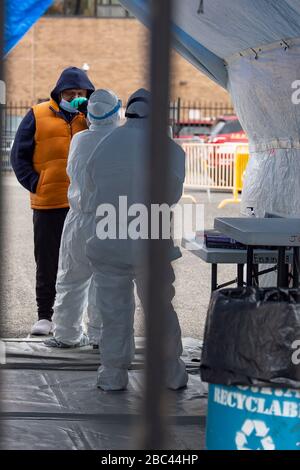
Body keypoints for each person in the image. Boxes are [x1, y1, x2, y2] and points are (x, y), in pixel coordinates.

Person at [85, 89, 189, 391]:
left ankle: (113, 373)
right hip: (150, 241)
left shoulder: (105, 145)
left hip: (109, 240)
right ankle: (170, 372)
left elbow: (91, 188)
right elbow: (172, 194)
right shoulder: (169, 149)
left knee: (113, 311)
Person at [10, 67, 95, 336]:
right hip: (49, 201)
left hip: (82, 204)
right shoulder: (37, 114)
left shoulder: (89, 118)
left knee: (82, 261)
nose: (74, 97)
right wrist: (36, 183)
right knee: (47, 260)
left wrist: (92, 114)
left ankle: (72, 318)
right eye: (69, 93)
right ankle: (44, 315)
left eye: (80, 94)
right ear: (59, 92)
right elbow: (18, 155)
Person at [45, 89, 122, 348]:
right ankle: (101, 336)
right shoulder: (121, 140)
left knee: (71, 277)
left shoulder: (79, 139)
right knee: (107, 281)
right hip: (111, 220)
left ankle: (66, 334)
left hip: (79, 218)